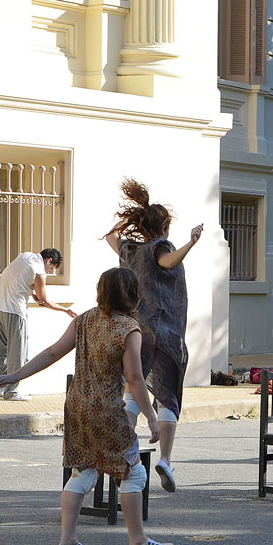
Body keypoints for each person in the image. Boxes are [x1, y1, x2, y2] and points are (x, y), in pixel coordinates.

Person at [0, 268, 171, 545]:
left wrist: (14, 376)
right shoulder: (128, 328)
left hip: (77, 404)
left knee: (82, 471)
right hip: (108, 408)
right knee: (133, 473)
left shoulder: (84, 320)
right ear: (133, 294)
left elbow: (51, 352)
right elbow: (135, 379)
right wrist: (151, 415)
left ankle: (68, 540)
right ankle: (137, 541)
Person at [103, 179, 201, 493]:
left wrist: (131, 224)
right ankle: (166, 459)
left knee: (133, 391)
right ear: (164, 227)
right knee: (168, 396)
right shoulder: (161, 247)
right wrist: (191, 243)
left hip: (136, 330)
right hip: (166, 332)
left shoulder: (130, 250)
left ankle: (124, 448)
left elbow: (110, 237)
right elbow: (167, 261)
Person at [0, 248, 75, 401]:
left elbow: (17, 278)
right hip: (14, 310)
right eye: (51, 268)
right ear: (49, 261)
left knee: (2, 352)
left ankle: (1, 388)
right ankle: (12, 392)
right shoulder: (39, 271)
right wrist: (65, 309)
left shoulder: (24, 256)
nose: (49, 272)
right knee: (18, 354)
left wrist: (30, 291)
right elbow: (45, 300)